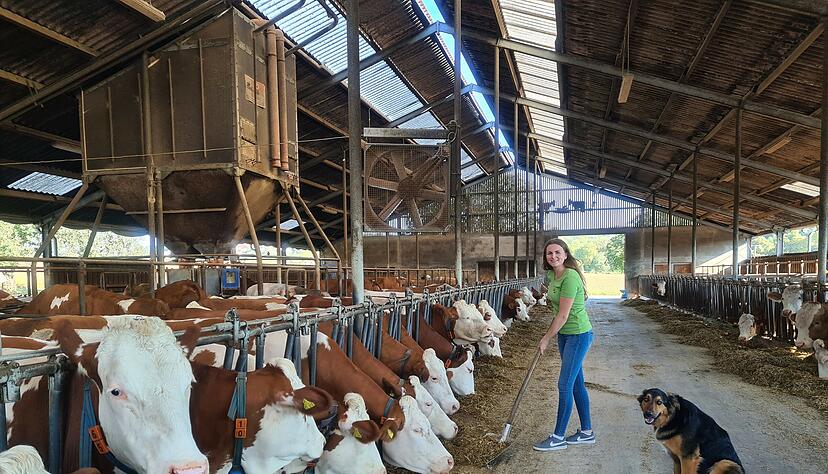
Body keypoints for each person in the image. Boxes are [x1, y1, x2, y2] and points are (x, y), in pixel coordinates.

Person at [533, 238, 595, 451]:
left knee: (564, 385)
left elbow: (562, 315)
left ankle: (558, 437)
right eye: (549, 253)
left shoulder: (570, 277)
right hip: (566, 336)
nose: (553, 256)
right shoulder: (551, 275)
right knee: (576, 383)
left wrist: (546, 338)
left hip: (578, 334)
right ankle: (587, 432)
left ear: (566, 254)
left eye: (557, 252)